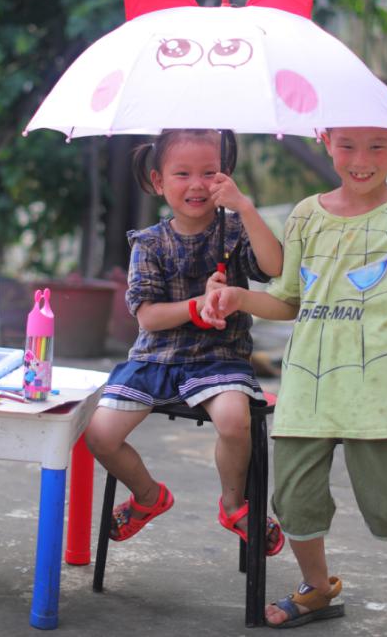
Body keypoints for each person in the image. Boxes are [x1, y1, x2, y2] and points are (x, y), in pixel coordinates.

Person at [203, 125, 387, 636]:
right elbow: (288, 300)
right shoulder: (306, 214)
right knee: (294, 502)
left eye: (376, 146)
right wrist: (238, 298)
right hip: (308, 387)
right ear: (326, 141)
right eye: (347, 145)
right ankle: (317, 586)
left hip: (379, 391)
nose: (360, 159)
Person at [84, 128, 286, 555]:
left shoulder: (234, 232)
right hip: (155, 359)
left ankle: (233, 505)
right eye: (182, 174)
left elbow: (274, 267)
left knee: (234, 421)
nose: (197, 184)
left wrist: (245, 207)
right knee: (99, 434)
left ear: (225, 176)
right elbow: (149, 317)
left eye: (209, 173)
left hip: (220, 358)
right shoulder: (149, 243)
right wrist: (197, 306)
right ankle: (148, 496)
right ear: (158, 181)